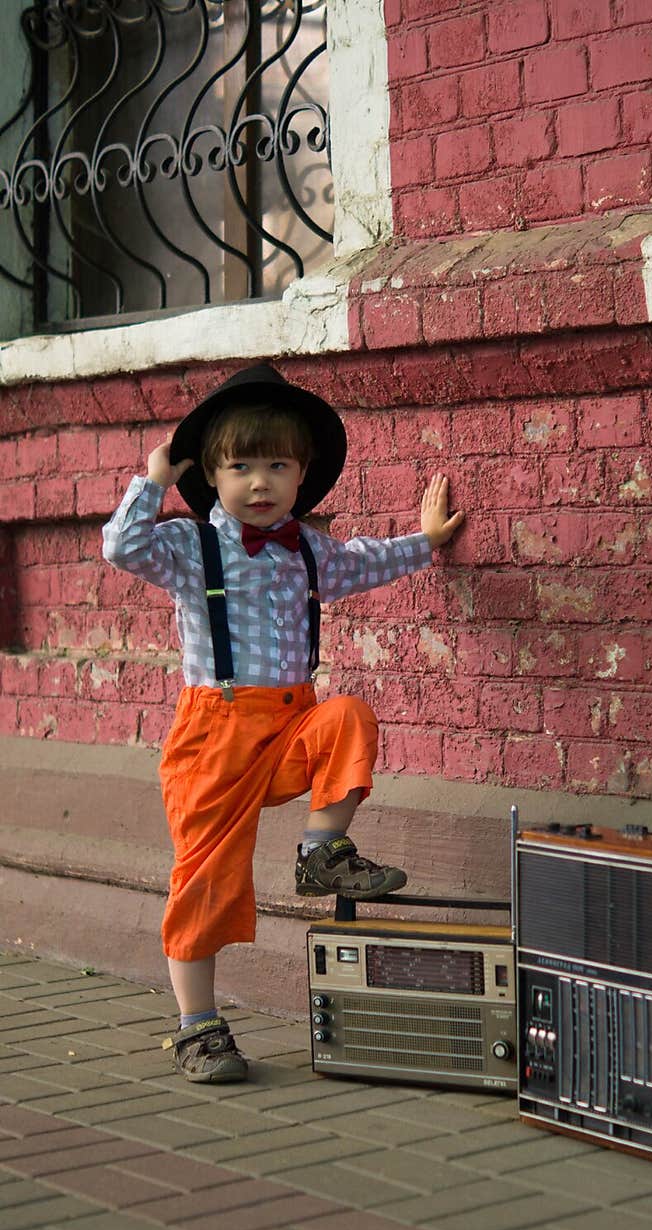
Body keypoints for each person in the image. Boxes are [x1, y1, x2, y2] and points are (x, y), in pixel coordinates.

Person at [102, 363, 464, 1084]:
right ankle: (198, 1026)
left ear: (302, 478)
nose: (259, 482)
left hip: (291, 724)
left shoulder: (306, 550)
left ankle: (321, 851)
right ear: (210, 473)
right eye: (240, 466)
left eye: (277, 465)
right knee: (204, 878)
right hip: (216, 735)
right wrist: (151, 481)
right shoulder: (186, 545)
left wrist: (424, 542)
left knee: (348, 717)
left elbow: (365, 563)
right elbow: (120, 547)